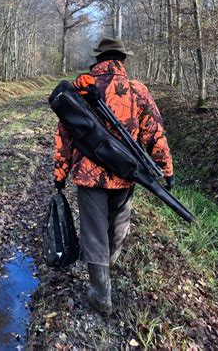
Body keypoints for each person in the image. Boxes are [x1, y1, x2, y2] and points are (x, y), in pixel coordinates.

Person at [53, 37, 175, 316]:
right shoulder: (138, 90)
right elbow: (154, 133)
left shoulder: (80, 90)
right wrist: (166, 169)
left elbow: (64, 137)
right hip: (126, 174)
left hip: (89, 175)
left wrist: (59, 174)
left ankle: (100, 293)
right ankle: (105, 275)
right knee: (118, 228)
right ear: (122, 60)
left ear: (99, 60)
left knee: (95, 234)